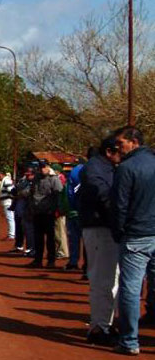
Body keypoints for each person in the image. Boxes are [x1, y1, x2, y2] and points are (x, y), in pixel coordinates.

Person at [111, 126, 155, 356]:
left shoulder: (126, 168)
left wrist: (118, 232)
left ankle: (129, 340)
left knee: (131, 287)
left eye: (121, 143)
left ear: (134, 142)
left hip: (136, 235)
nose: (118, 147)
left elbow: (119, 205)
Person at [79, 138, 120, 346]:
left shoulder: (104, 167)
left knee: (111, 280)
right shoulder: (95, 168)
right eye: (119, 151)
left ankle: (105, 323)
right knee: (102, 280)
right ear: (109, 151)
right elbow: (104, 197)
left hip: (104, 228)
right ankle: (98, 327)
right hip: (99, 228)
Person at [19, 160, 63, 268]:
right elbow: (31, 192)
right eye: (41, 167)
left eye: (44, 167)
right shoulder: (36, 178)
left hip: (49, 213)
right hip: (37, 212)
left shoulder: (54, 179)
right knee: (38, 237)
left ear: (48, 167)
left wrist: (56, 209)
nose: (42, 169)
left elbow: (59, 195)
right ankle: (37, 260)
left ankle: (51, 261)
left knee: (50, 238)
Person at [0, 172, 15, 240]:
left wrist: (12, 198)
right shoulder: (5, 180)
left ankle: (11, 235)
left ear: (2, 175)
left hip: (8, 202)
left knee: (10, 218)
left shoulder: (6, 180)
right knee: (10, 218)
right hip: (7, 202)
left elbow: (11, 190)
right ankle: (11, 234)